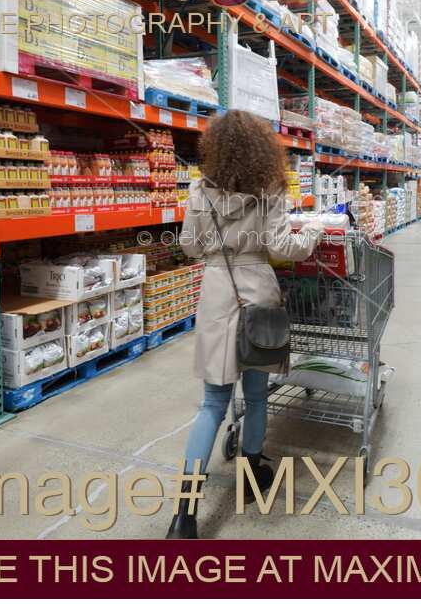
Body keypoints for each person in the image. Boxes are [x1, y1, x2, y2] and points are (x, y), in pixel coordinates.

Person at [167, 110, 324, 539]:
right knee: (255, 397)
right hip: (258, 292)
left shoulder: (199, 190)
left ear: (213, 149)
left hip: (218, 294)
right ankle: (253, 477)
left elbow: (189, 248)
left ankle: (184, 516)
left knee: (212, 405)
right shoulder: (271, 188)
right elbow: (282, 247)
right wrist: (310, 232)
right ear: (261, 150)